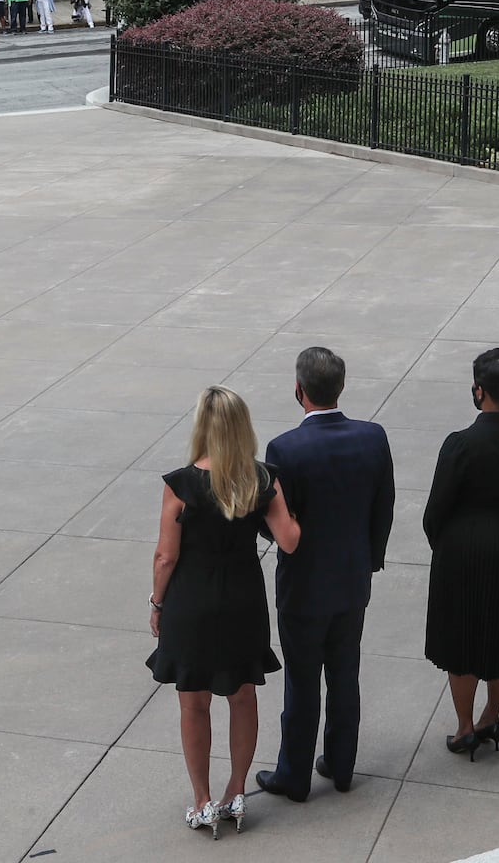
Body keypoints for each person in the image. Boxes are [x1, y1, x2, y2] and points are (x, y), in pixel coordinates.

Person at [148, 385, 301, 839]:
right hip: (242, 602)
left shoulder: (180, 485)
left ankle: (202, 801)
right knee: (242, 696)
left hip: (191, 605)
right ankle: (236, 792)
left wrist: (157, 603)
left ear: (203, 427)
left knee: (193, 703)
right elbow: (289, 540)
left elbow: (165, 558)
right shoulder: (261, 479)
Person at [255, 347, 395, 803]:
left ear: (299, 391)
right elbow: (383, 507)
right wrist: (370, 560)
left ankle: (293, 775)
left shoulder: (285, 448)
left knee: (302, 681)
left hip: (304, 585)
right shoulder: (372, 437)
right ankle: (341, 764)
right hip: (353, 579)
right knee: (344, 673)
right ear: (341, 387)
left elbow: (274, 522)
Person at [423, 348, 499, 761]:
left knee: (464, 636)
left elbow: (436, 508)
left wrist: (443, 541)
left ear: (479, 390)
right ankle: (491, 716)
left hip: (467, 543)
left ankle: (463, 728)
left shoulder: (461, 444)